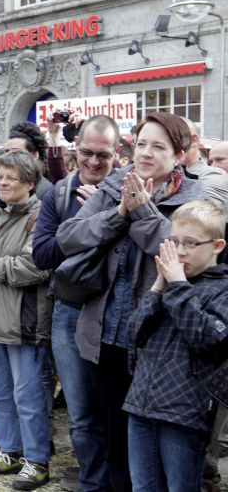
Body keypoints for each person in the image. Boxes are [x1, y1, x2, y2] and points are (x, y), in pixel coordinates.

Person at [57, 111, 207, 492]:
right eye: (141, 144)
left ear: (178, 155)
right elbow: (68, 237)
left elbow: (183, 255)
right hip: (104, 334)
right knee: (115, 440)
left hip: (158, 344)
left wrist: (141, 211)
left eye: (158, 146)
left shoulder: (195, 198)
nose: (146, 153)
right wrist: (120, 212)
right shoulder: (115, 186)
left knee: (156, 450)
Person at [33, 115, 121, 491]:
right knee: (81, 414)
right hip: (70, 310)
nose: (94, 162)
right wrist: (86, 223)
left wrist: (99, 219)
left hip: (117, 311)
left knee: (116, 412)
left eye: (104, 155)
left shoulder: (132, 189)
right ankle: (93, 482)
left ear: (118, 152)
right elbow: (42, 254)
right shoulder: (61, 193)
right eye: (87, 152)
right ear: (76, 148)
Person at [122, 201, 227, 491]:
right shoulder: (168, 285)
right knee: (143, 486)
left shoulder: (222, 289)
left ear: (217, 246)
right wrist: (157, 288)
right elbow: (134, 334)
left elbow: (207, 338)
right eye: (174, 242)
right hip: (141, 406)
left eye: (191, 243)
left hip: (184, 414)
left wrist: (178, 285)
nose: (180, 251)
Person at [0, 150, 51, 489]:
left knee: (28, 398)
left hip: (22, 321)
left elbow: (35, 267)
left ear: (29, 183)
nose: (2, 182)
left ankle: (37, 460)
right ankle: (9, 451)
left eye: (10, 178)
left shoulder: (40, 218)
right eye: (0, 176)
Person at [181, 118, 228, 213]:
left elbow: (197, 218)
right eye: (210, 162)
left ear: (193, 140)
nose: (213, 166)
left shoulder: (213, 177)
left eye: (219, 160)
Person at [4, 122, 54, 198]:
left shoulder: (45, 191)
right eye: (7, 151)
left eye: (16, 152)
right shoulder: (1, 185)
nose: (9, 156)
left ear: (34, 155)